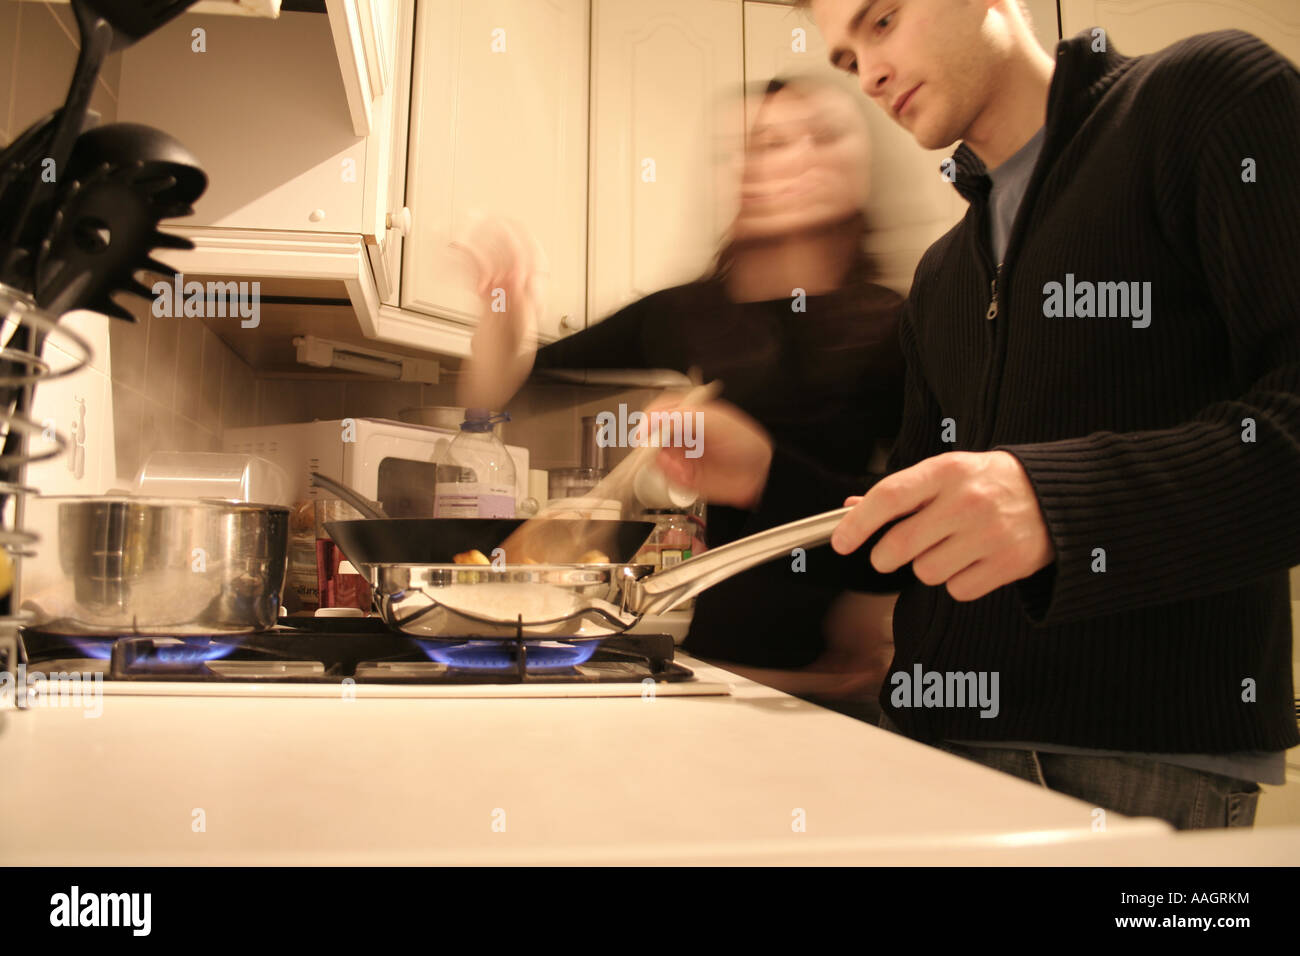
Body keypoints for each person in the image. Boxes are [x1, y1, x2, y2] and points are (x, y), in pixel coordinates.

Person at [651, 0, 1300, 830]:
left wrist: (1054, 506)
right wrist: (765, 474)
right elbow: (904, 549)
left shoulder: (1206, 98)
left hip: (1136, 765)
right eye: (848, 57)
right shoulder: (943, 277)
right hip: (927, 750)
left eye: (882, 22)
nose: (870, 73)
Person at [457, 76, 905, 695]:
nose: (791, 158)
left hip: (844, 687)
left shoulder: (901, 326)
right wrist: (505, 307)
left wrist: (763, 475)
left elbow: (910, 521)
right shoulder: (696, 314)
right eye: (765, 142)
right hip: (724, 672)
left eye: (822, 137)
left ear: (861, 169)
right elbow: (499, 389)